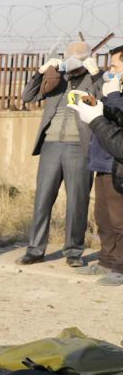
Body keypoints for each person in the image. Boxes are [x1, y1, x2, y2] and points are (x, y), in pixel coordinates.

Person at [18, 41, 103, 266]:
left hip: (80, 146)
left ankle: (73, 252)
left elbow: (105, 100)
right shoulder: (56, 78)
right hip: (51, 145)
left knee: (77, 200)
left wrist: (96, 75)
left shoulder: (94, 78)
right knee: (43, 199)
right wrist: (41, 72)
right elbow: (28, 96)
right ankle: (35, 250)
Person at [68, 58, 123, 286]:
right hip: (101, 163)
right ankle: (106, 261)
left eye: (115, 67)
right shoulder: (114, 93)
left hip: (117, 166)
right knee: (103, 218)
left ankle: (120, 267)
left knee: (119, 221)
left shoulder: (116, 94)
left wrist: (113, 97)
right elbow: (112, 115)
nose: (110, 71)